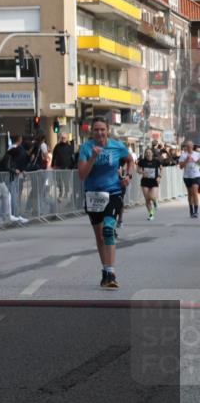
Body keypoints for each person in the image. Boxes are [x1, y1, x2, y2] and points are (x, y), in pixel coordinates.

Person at [77, 117, 132, 289]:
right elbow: (82, 175)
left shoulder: (117, 146)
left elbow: (130, 160)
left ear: (108, 130)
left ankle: (111, 273)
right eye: (96, 130)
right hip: (93, 194)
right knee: (100, 236)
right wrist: (93, 157)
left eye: (102, 129)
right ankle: (105, 271)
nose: (100, 133)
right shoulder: (86, 148)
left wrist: (128, 176)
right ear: (91, 132)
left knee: (109, 230)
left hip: (113, 191)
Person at [137, 147, 162, 220]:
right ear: (145, 154)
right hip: (145, 181)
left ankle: (155, 202)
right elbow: (137, 170)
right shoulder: (142, 161)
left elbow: (161, 168)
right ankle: (151, 214)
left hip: (154, 181)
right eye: (146, 152)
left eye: (149, 152)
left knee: (152, 197)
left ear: (152, 153)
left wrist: (159, 177)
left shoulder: (156, 161)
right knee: (147, 199)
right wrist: (141, 172)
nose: (148, 154)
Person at [179, 140, 200, 218]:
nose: (189, 148)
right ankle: (191, 209)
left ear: (192, 147)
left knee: (195, 192)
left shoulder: (197, 154)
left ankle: (196, 211)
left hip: (196, 175)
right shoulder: (183, 155)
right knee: (190, 194)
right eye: (187, 146)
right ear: (186, 147)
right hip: (187, 176)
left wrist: (196, 161)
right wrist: (186, 160)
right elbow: (181, 167)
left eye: (190, 146)